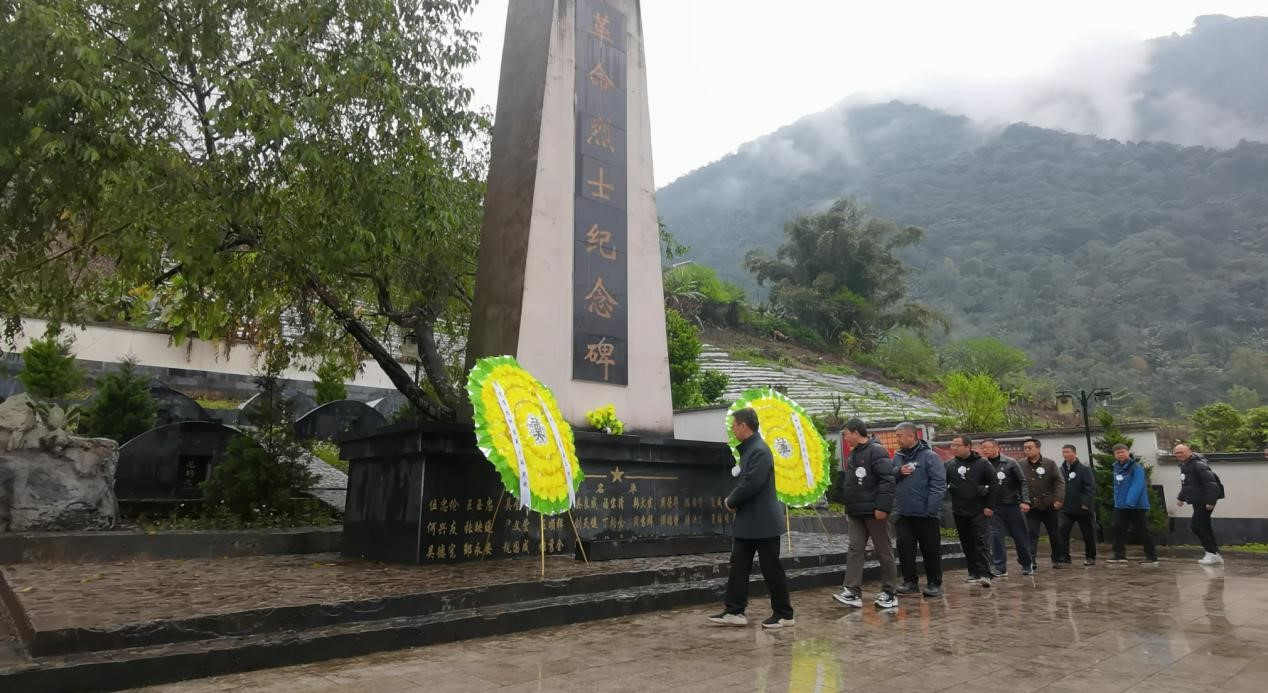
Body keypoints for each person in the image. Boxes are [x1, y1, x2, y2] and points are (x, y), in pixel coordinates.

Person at [709, 407, 795, 628]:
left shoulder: (759, 450)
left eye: (734, 425)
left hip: (763, 522)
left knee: (771, 568)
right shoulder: (749, 450)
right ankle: (734, 611)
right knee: (739, 564)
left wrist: (731, 501)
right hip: (749, 521)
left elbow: (752, 483)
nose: (733, 429)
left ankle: (784, 614)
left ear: (743, 426)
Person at [833, 418, 898, 609]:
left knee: (883, 550)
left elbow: (887, 480)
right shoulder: (854, 454)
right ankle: (852, 591)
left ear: (855, 432)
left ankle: (889, 592)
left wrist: (882, 507)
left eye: (846, 434)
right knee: (855, 549)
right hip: (856, 511)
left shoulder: (876, 451)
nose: (845, 438)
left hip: (874, 511)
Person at [891, 422, 948, 598]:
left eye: (899, 436)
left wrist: (931, 509)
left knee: (930, 550)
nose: (897, 439)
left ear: (911, 436)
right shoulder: (898, 457)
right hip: (903, 513)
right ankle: (910, 582)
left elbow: (939, 484)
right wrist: (898, 471)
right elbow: (889, 476)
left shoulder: (930, 456)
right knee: (905, 549)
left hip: (926, 514)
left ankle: (934, 583)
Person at [945, 435, 996, 587]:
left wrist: (990, 506)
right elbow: (942, 483)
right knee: (966, 542)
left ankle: (985, 573)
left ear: (968, 446)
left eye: (957, 445)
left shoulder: (982, 463)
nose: (954, 448)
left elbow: (995, 485)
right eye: (952, 445)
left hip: (979, 510)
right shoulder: (949, 464)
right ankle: (973, 572)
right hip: (959, 509)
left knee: (981, 541)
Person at [981, 439, 1034, 577]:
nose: (984, 450)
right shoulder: (983, 464)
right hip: (993, 507)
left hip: (1012, 505)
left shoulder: (1010, 462)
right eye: (983, 448)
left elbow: (1022, 482)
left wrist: (1025, 501)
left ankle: (1027, 564)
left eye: (987, 447)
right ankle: (1000, 567)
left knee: (1020, 536)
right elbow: (979, 484)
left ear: (997, 447)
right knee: (996, 537)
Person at [1107, 444, 1158, 566]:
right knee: (1117, 527)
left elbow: (1138, 485)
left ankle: (1151, 556)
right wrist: (1117, 501)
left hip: (1136, 505)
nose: (1120, 454)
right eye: (1117, 452)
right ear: (1114, 455)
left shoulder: (1136, 467)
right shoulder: (1116, 467)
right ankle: (1119, 555)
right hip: (1120, 505)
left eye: (1122, 452)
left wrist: (1130, 501)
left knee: (1143, 529)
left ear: (1127, 452)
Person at [1174, 443, 1224, 566]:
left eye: (1182, 452)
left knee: (1197, 526)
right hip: (1197, 500)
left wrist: (1211, 501)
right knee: (1204, 526)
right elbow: (1187, 484)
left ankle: (1211, 552)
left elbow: (1211, 484)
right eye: (1176, 453)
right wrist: (1181, 498)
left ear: (1189, 451)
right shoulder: (1185, 465)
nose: (1179, 455)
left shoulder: (1198, 465)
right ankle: (1214, 553)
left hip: (1204, 500)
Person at [1021, 438, 1066, 570]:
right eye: (1025, 448)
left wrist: (1058, 499)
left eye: (1030, 448)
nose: (1027, 450)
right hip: (1031, 506)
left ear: (1038, 448)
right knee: (1031, 533)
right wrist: (1022, 500)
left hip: (1049, 505)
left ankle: (1057, 558)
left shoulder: (1049, 463)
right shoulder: (1021, 464)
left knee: (1054, 533)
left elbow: (1059, 482)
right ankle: (1031, 560)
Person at [1057, 444, 1097, 566]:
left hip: (1082, 508)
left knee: (1087, 534)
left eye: (1068, 452)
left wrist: (1085, 503)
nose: (1065, 454)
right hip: (1067, 508)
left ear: (1074, 453)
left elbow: (1090, 488)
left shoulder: (1084, 469)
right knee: (1063, 531)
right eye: (1063, 452)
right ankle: (1064, 556)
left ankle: (1090, 557)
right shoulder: (1062, 469)